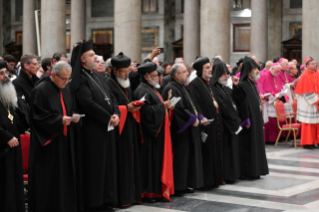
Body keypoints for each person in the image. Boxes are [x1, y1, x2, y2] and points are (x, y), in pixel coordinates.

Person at [71, 42, 120, 211]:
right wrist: (108, 117)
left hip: (106, 128)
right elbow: (87, 103)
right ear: (83, 59)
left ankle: (107, 199)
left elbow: (112, 98)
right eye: (92, 55)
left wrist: (116, 114)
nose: (96, 58)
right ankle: (94, 202)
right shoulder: (79, 78)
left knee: (108, 166)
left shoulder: (99, 76)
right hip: (91, 131)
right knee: (95, 167)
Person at [28, 62, 79, 212]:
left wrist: (74, 115)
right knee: (49, 182)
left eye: (68, 79)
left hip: (65, 142)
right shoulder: (40, 90)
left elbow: (71, 107)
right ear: (54, 75)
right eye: (63, 79)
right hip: (49, 145)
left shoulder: (66, 88)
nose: (66, 82)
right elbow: (36, 117)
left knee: (65, 179)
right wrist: (59, 120)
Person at [133, 62, 174, 202]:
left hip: (157, 134)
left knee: (156, 164)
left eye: (158, 75)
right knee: (149, 164)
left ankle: (156, 190)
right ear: (146, 76)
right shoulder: (141, 90)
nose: (158, 78)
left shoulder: (152, 89)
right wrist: (162, 107)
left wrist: (164, 107)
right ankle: (148, 192)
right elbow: (144, 112)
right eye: (154, 75)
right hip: (149, 135)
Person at [105, 52, 142, 207]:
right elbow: (109, 108)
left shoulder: (125, 85)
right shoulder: (108, 84)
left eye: (128, 71)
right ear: (115, 72)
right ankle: (122, 198)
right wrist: (127, 108)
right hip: (118, 131)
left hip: (130, 127)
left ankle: (132, 195)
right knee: (122, 163)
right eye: (124, 72)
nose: (127, 74)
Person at [162, 63, 204, 195]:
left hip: (188, 130)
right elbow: (177, 109)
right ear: (177, 75)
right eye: (185, 71)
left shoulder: (182, 87)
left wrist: (199, 116)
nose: (187, 73)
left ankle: (186, 183)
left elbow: (191, 104)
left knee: (187, 158)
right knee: (180, 159)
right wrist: (192, 119)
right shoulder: (171, 88)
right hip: (179, 131)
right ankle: (179, 186)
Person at [188, 57, 223, 189]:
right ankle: (207, 181)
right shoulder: (195, 85)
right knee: (207, 153)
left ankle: (215, 179)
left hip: (213, 124)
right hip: (204, 126)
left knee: (214, 151)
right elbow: (195, 105)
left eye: (210, 67)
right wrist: (201, 117)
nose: (210, 69)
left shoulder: (208, 83)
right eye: (207, 67)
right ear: (200, 70)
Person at [211, 59, 244, 183]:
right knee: (227, 152)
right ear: (217, 74)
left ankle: (233, 174)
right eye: (224, 74)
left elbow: (238, 100)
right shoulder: (214, 89)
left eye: (227, 73)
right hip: (225, 126)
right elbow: (223, 107)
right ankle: (228, 175)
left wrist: (236, 86)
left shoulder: (225, 87)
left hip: (232, 124)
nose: (227, 76)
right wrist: (234, 121)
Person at [237, 56, 269, 179]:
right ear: (248, 71)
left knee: (257, 145)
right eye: (255, 69)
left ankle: (257, 170)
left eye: (257, 68)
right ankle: (248, 171)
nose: (257, 71)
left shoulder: (252, 84)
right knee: (249, 146)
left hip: (256, 119)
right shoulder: (243, 84)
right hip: (249, 122)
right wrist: (246, 120)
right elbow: (242, 105)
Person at [0, 60, 25, 212]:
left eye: (6, 73)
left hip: (13, 150)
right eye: (1, 74)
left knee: (13, 182)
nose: (6, 76)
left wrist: (17, 102)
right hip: (2, 148)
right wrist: (6, 137)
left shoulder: (6, 96)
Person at [260, 62, 287, 143]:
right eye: (277, 71)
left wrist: (281, 92)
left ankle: (276, 138)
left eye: (279, 71)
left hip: (276, 101)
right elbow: (262, 89)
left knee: (276, 120)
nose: (278, 73)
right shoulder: (264, 76)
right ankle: (269, 139)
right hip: (268, 102)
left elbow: (277, 87)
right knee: (270, 120)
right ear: (271, 69)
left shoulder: (277, 76)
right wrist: (272, 95)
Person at [296, 57, 319, 149]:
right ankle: (307, 143)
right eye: (312, 64)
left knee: (315, 123)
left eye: (315, 63)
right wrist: (316, 101)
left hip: (314, 101)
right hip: (307, 103)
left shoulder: (315, 74)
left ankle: (314, 141)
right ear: (307, 65)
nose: (314, 65)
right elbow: (307, 91)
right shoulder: (305, 75)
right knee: (308, 123)